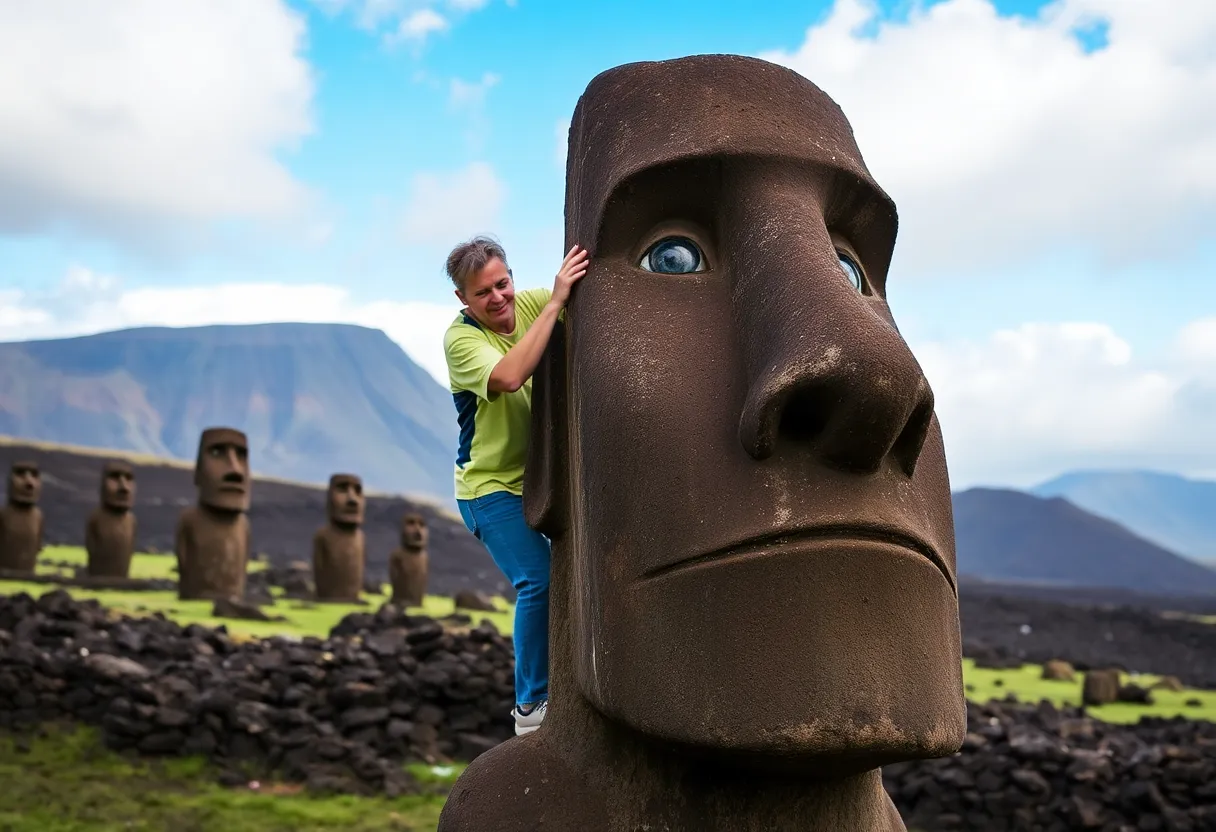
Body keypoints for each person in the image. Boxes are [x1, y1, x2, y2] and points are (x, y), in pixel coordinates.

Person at [443, 235, 589, 735]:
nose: (499, 298)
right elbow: (507, 376)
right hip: (488, 490)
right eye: (483, 293)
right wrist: (554, 302)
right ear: (464, 299)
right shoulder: (462, 340)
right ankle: (530, 707)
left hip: (539, 481)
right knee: (538, 579)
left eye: (503, 284)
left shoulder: (531, 303)